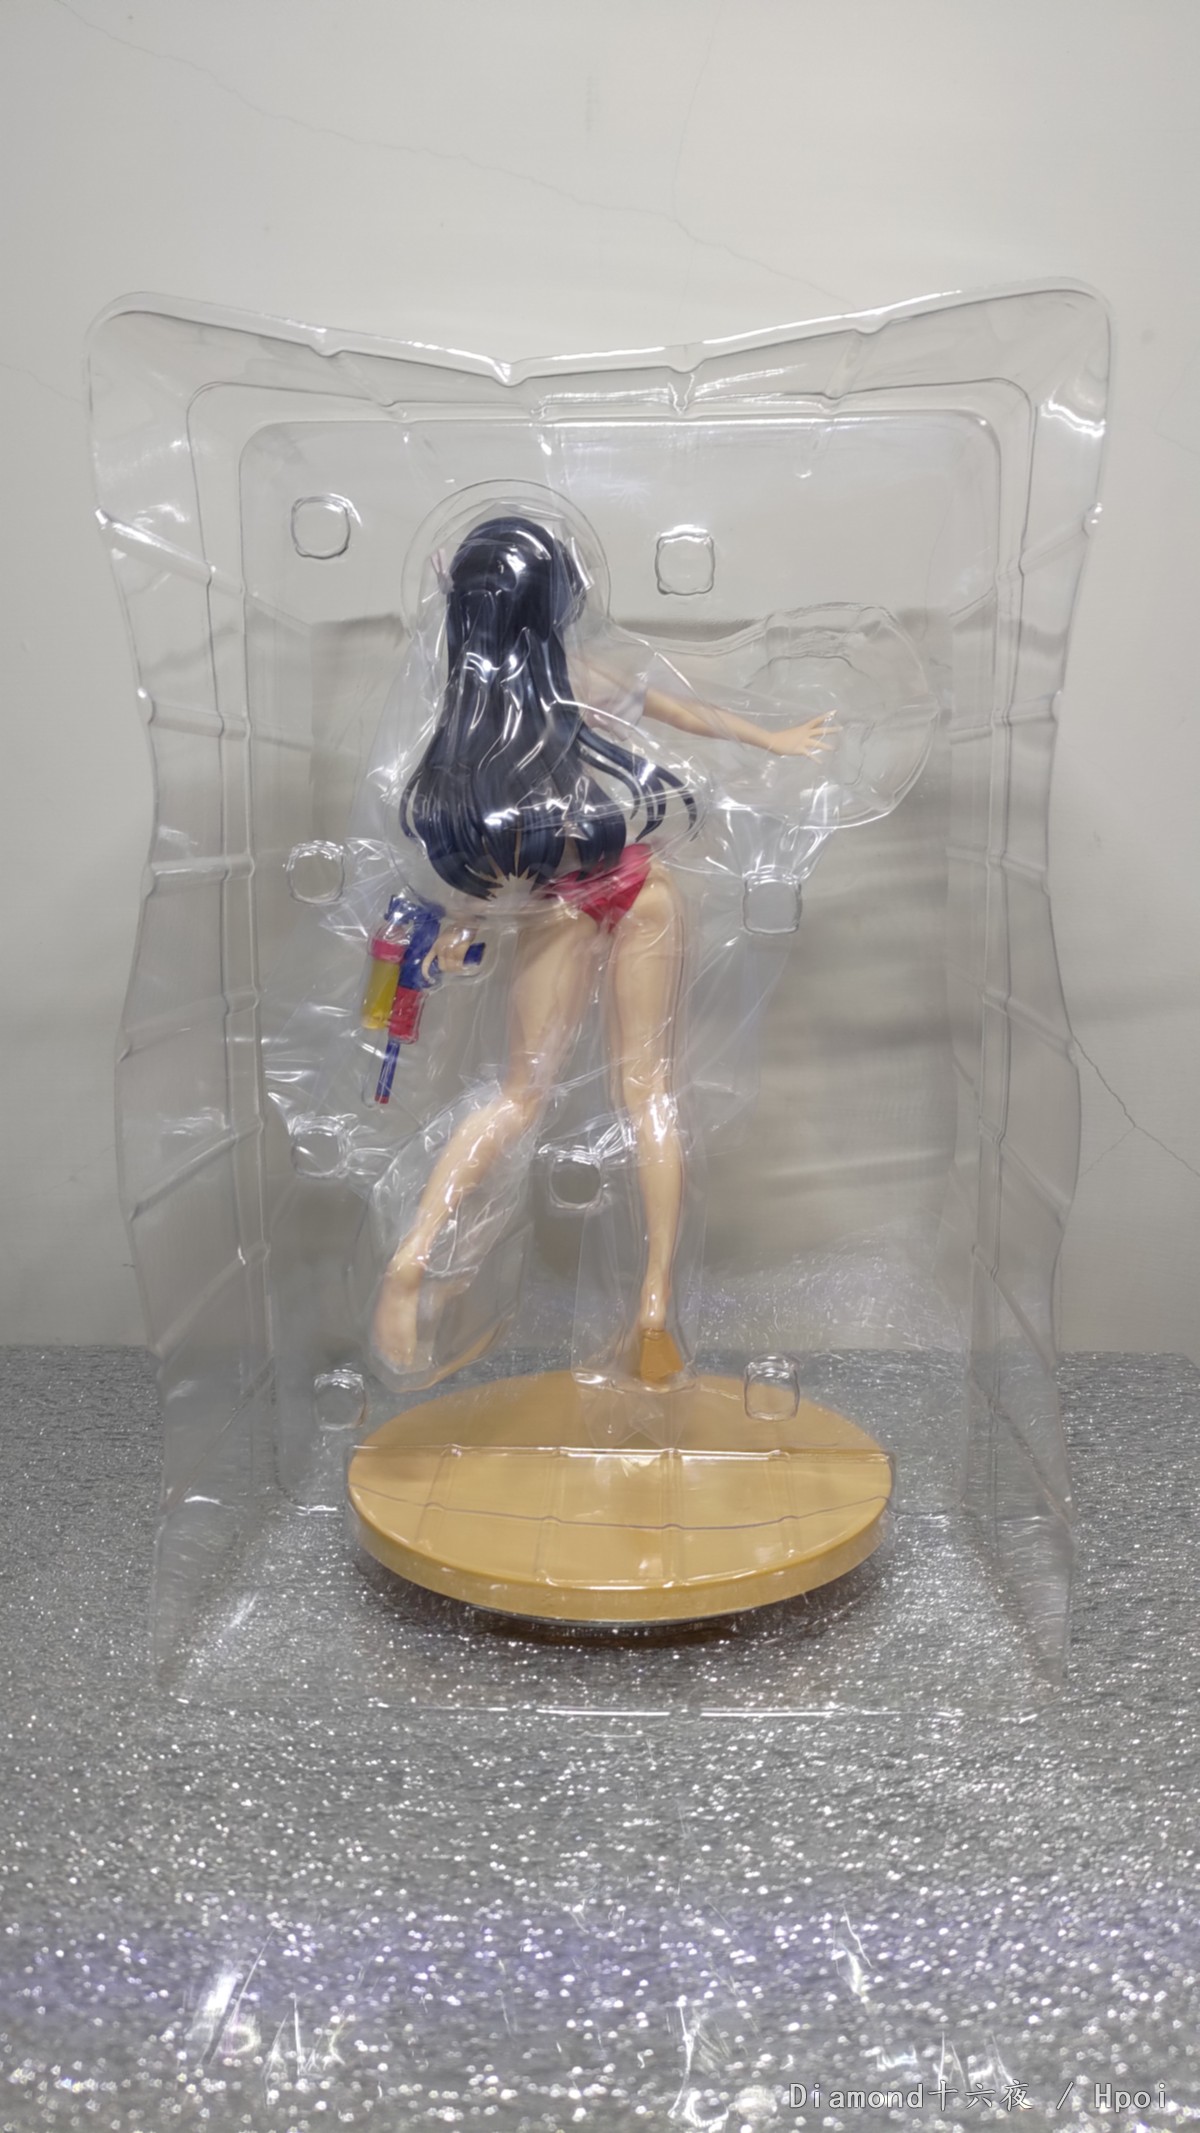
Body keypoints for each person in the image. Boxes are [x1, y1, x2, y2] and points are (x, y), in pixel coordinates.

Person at [371, 514, 832, 1382]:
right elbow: (687, 713)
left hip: (558, 903)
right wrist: (774, 741)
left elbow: (484, 856)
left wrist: (460, 927)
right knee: (648, 1089)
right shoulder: (580, 678)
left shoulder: (469, 721)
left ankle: (415, 1253)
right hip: (636, 887)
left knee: (517, 1094)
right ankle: (653, 1298)